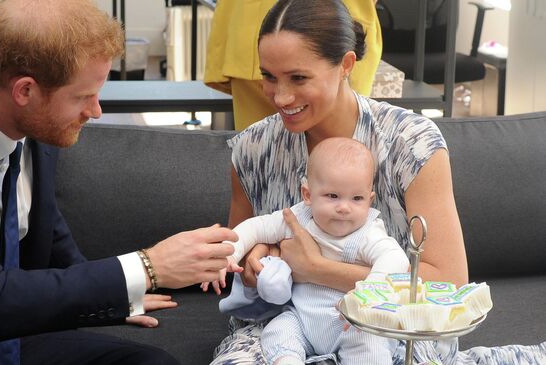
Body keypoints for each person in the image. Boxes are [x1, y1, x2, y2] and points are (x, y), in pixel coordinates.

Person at [0, 0, 236, 364]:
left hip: (5, 335)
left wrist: (118, 294)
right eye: (83, 96)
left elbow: (46, 228)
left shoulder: (33, 122)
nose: (96, 111)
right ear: (25, 91)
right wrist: (147, 267)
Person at [211, 0, 546, 364]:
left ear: (346, 65)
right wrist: (257, 259)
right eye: (269, 76)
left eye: (298, 78)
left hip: (395, 329)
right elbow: (236, 254)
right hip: (283, 326)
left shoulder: (411, 141)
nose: (281, 96)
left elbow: (447, 283)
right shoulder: (252, 148)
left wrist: (316, 269)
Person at [204, 137, 409, 365]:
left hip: (351, 322)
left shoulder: (368, 232)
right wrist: (228, 254)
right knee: (278, 330)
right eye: (332, 196)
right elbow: (256, 227)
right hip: (301, 319)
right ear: (308, 195)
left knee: (371, 342)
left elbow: (395, 258)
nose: (344, 207)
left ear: (370, 200)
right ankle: (288, 360)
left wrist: (372, 290)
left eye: (357, 198)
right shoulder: (298, 218)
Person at [203, 0, 382, 131]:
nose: (283, 97)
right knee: (260, 152)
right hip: (255, 31)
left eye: (299, 78)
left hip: (331, 34)